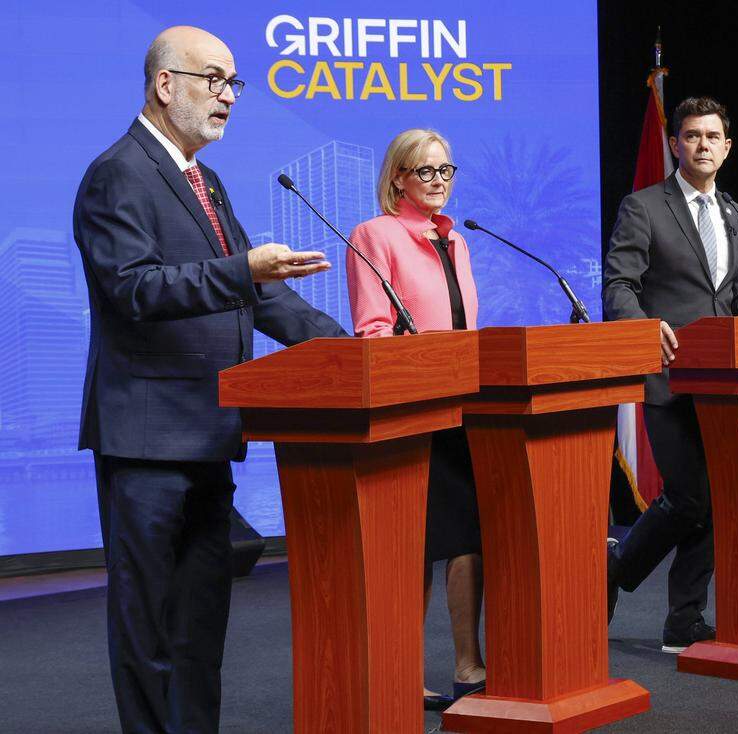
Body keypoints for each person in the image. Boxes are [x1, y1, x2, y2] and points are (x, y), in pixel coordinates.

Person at [72, 26, 346, 733]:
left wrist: (349, 350)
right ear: (166, 85)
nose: (228, 97)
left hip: (208, 434)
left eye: (234, 84)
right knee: (150, 626)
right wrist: (244, 272)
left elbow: (257, 291)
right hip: (148, 443)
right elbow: (134, 289)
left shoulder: (204, 179)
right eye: (214, 80)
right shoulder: (119, 173)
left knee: (199, 632)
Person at [603, 96, 738, 652]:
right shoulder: (644, 206)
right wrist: (642, 325)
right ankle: (618, 567)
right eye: (692, 136)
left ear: (727, 148)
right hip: (670, 377)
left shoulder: (733, 213)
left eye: (712, 137)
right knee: (688, 498)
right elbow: (619, 285)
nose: (703, 145)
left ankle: (682, 622)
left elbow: (736, 294)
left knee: (715, 499)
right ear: (676, 144)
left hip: (724, 382)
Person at [346, 129, 485, 709]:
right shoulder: (374, 235)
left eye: (445, 170)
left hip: (463, 405)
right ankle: (402, 671)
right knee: (416, 545)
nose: (437, 181)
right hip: (411, 408)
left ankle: (468, 665)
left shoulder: (457, 241)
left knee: (466, 536)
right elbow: (373, 330)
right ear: (398, 177)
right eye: (425, 171)